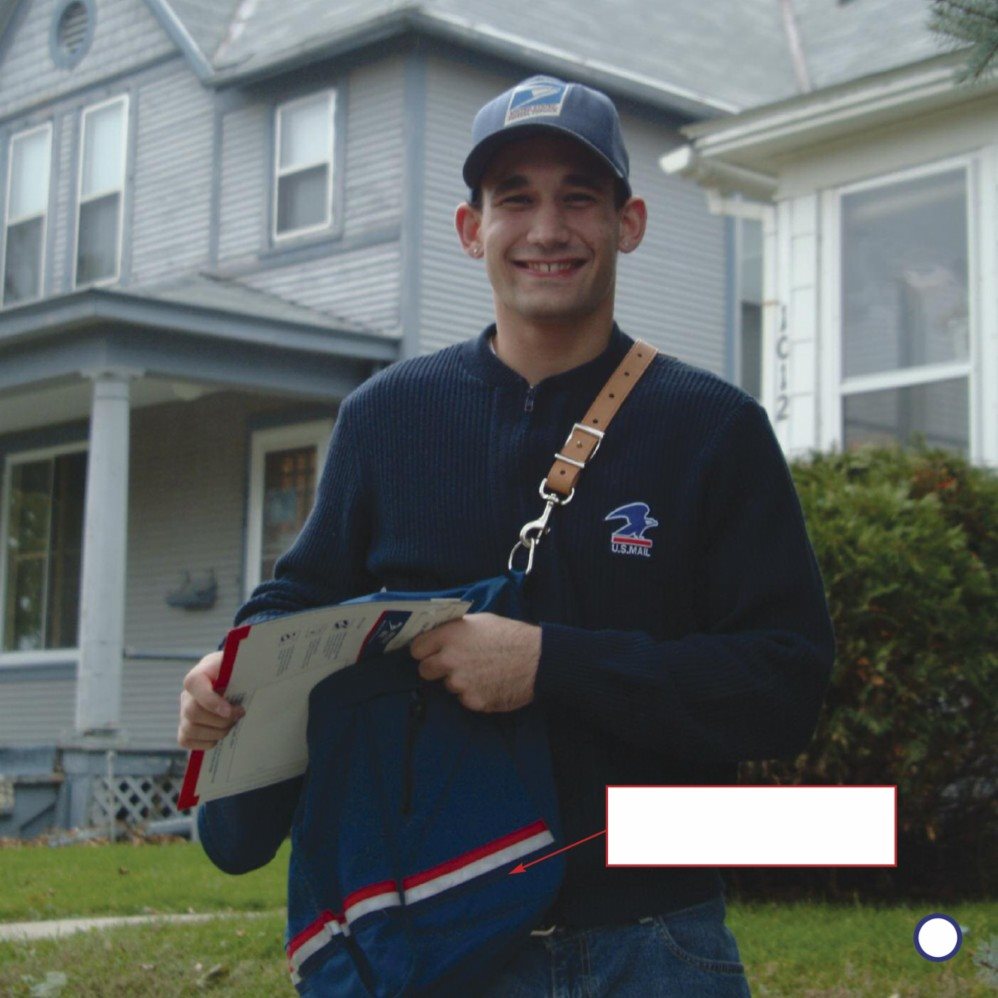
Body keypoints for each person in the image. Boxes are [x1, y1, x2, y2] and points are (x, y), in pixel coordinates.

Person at [178, 75, 834, 996]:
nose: (546, 229)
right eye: (514, 199)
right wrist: (225, 671)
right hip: (435, 943)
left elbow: (784, 683)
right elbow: (297, 602)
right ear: (469, 228)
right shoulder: (386, 417)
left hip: (654, 940)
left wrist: (548, 666)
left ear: (629, 222)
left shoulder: (713, 429)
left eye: (578, 197)